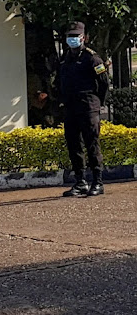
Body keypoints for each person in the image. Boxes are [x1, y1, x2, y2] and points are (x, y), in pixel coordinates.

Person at [58, 21, 109, 197]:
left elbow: (103, 83)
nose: (72, 39)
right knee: (74, 146)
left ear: (83, 37)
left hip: (88, 107)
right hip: (71, 107)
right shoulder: (65, 58)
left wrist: (97, 102)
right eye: (69, 36)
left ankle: (98, 182)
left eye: (75, 36)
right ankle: (80, 182)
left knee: (92, 145)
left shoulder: (92, 58)